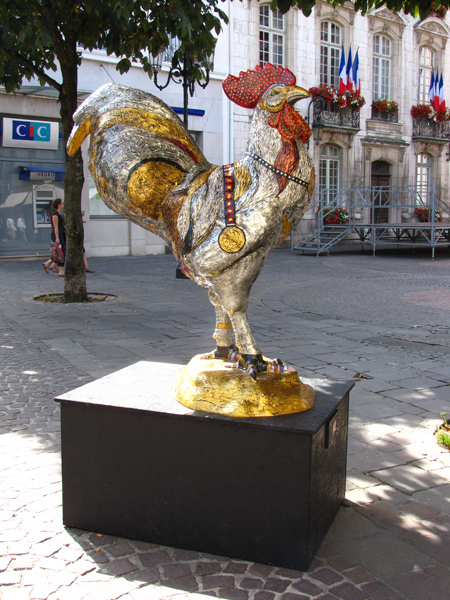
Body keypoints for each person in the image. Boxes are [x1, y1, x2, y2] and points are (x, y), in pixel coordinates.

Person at [42, 198, 66, 277]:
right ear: (59, 204)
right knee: (61, 252)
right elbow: (56, 227)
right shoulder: (55, 214)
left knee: (60, 252)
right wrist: (57, 237)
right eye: (62, 203)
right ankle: (61, 270)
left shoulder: (59, 213)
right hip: (57, 234)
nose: (63, 204)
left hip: (61, 233)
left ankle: (48, 264)